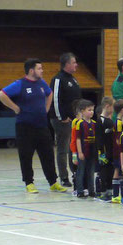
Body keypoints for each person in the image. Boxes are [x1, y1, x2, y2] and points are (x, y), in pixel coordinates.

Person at [0, 58, 66, 194]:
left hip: (42, 126)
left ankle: (53, 182)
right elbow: (1, 94)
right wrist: (15, 107)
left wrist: (46, 108)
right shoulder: (20, 84)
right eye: (39, 68)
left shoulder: (42, 83)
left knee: (47, 154)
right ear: (31, 70)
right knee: (26, 156)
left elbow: (50, 93)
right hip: (25, 127)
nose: (42, 71)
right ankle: (29, 183)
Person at [49, 53, 81, 188]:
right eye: (74, 62)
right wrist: (60, 117)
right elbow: (55, 99)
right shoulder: (58, 79)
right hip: (62, 120)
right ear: (66, 64)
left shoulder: (73, 79)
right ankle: (63, 177)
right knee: (63, 148)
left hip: (73, 120)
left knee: (73, 147)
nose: (76, 65)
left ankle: (75, 174)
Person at [73, 99, 98, 198]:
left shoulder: (94, 123)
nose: (91, 112)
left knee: (91, 172)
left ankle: (91, 190)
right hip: (83, 151)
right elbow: (78, 139)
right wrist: (79, 152)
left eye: (92, 110)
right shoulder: (80, 124)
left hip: (92, 152)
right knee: (81, 171)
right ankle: (80, 190)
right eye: (89, 110)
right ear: (82, 111)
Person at [108, 100, 123, 203]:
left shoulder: (117, 121)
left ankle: (116, 195)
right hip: (119, 151)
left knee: (117, 171)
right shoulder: (120, 123)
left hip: (116, 150)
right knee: (121, 172)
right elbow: (118, 138)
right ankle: (122, 195)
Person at [95, 97, 116, 200]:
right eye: (112, 106)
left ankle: (109, 190)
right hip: (104, 151)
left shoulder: (110, 120)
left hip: (111, 151)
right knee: (104, 171)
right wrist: (101, 152)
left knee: (110, 171)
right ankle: (102, 191)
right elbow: (99, 138)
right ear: (107, 106)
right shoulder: (100, 120)